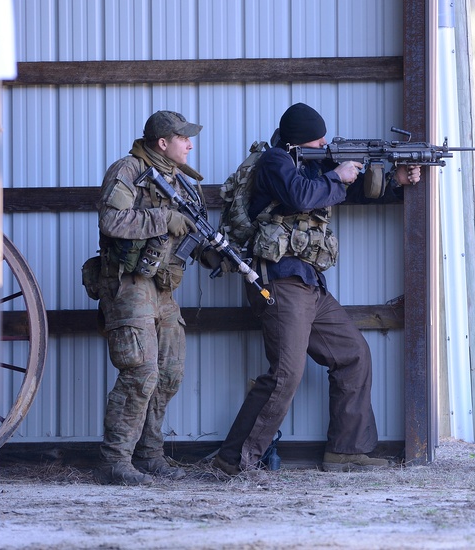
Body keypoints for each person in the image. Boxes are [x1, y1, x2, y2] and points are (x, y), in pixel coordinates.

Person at [212, 102, 422, 475]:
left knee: (353, 355)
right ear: (298, 138)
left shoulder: (310, 164)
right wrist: (338, 174)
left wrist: (395, 181)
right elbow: (302, 196)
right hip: (279, 282)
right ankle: (233, 460)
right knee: (285, 375)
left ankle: (346, 450)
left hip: (309, 284)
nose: (324, 142)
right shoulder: (276, 161)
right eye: (317, 137)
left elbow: (345, 192)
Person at [92, 110, 213, 486]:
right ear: (163, 143)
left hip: (162, 286)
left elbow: (187, 232)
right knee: (141, 373)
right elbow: (111, 222)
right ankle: (115, 461)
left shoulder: (182, 183)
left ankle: (149, 455)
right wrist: (164, 219)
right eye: (183, 138)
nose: (190, 145)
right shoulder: (127, 170)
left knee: (170, 373)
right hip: (129, 285)